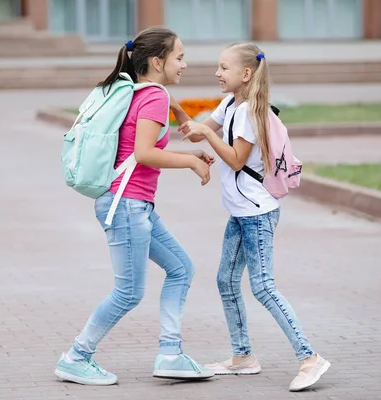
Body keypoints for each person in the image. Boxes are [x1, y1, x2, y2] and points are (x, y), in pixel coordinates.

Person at [54, 27, 216, 386]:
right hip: (127, 206)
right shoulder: (153, 96)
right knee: (128, 293)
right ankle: (76, 357)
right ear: (158, 61)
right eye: (179, 57)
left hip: (132, 205)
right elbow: (145, 153)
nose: (185, 65)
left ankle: (171, 354)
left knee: (181, 268)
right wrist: (190, 160)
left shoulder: (136, 88)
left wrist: (179, 114)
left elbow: (153, 121)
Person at [172, 42, 330, 392]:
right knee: (226, 281)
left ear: (246, 74)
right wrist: (169, 103)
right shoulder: (230, 103)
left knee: (263, 286)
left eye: (224, 67)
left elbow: (236, 159)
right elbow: (197, 128)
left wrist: (209, 135)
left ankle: (310, 358)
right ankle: (243, 357)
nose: (217, 73)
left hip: (257, 215)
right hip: (241, 213)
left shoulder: (249, 113)